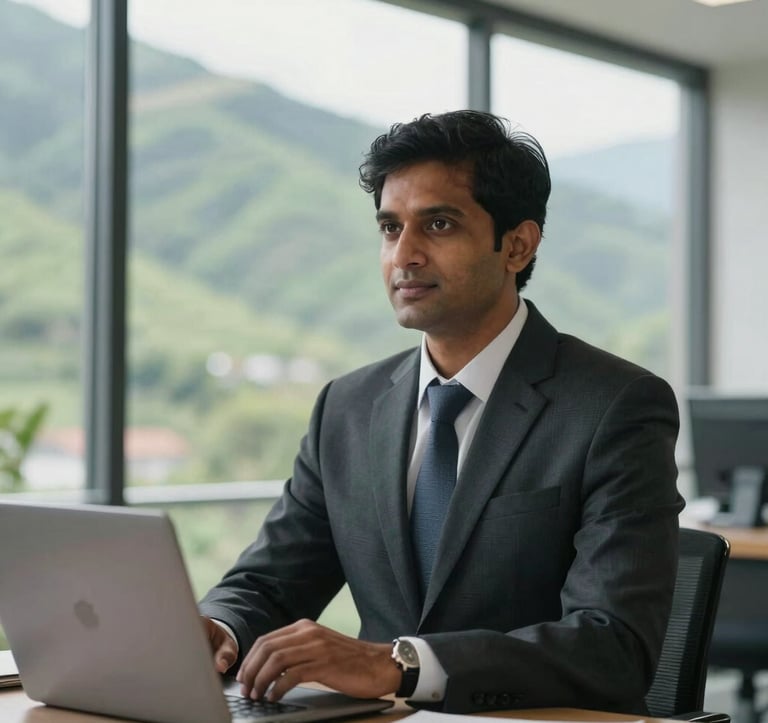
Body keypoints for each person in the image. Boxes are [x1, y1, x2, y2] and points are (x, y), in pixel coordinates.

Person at [198, 110, 684, 715]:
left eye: (439, 224)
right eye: (389, 228)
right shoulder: (346, 408)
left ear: (517, 244)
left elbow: (613, 646)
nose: (405, 255)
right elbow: (269, 583)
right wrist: (219, 629)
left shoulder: (615, 406)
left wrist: (397, 665)